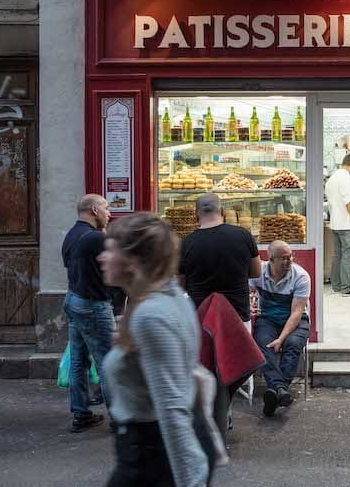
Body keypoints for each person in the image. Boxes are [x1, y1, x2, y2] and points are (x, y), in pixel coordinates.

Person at [99, 212, 210, 486]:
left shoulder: (151, 315)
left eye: (110, 250)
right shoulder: (169, 295)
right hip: (146, 452)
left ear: (132, 261)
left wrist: (191, 479)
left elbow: (172, 408)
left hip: (149, 458)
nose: (102, 258)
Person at [60, 193, 114, 432]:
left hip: (74, 300)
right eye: (106, 208)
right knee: (108, 363)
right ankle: (121, 419)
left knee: (79, 361)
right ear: (94, 210)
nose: (109, 213)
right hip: (93, 305)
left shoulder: (71, 235)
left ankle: (81, 414)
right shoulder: (94, 238)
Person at [249, 240, 311, 417]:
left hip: (296, 320)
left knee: (292, 344)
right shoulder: (258, 272)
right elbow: (246, 291)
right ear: (271, 259)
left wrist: (281, 338)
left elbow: (297, 312)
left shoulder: (300, 276)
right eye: (284, 258)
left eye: (291, 256)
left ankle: (274, 390)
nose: (290, 260)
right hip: (268, 319)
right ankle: (281, 390)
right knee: (262, 342)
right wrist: (249, 303)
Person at [178, 193, 261, 322]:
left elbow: (181, 284)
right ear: (222, 212)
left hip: (201, 317)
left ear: (196, 215)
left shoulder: (186, 243)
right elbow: (256, 272)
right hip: (237, 315)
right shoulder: (244, 235)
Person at [324, 154, 350, 297]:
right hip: (347, 224)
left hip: (336, 223)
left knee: (338, 255)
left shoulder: (332, 179)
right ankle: (346, 288)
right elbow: (349, 203)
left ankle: (336, 286)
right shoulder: (346, 179)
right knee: (348, 256)